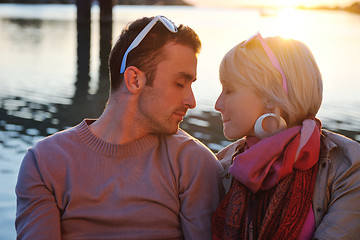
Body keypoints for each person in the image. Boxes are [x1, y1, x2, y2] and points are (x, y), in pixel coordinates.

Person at [15, 15, 224, 240]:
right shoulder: (45, 163)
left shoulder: (194, 163)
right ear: (134, 80)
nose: (191, 101)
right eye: (180, 83)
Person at [211, 32, 360, 239]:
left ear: (271, 96)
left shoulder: (349, 165)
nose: (217, 105)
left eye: (229, 90)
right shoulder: (220, 165)